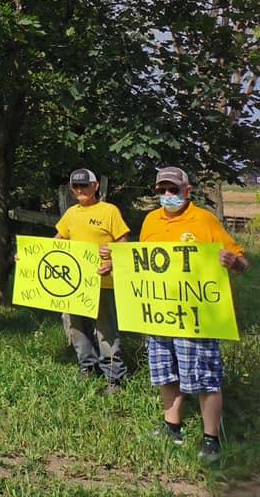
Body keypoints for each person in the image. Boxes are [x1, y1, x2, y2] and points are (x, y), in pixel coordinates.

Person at [139, 166, 250, 462]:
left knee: (204, 377)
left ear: (187, 191)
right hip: (160, 314)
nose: (167, 195)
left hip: (197, 317)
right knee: (165, 373)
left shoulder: (204, 220)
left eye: (173, 190)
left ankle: (211, 439)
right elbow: (139, 264)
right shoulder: (150, 221)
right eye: (161, 190)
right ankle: (171, 427)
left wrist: (233, 262)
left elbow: (242, 262)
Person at [54, 168, 130, 394]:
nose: (80, 190)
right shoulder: (70, 214)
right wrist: (30, 257)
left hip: (102, 280)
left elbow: (123, 242)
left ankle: (114, 377)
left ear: (95, 186)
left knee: (105, 329)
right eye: (76, 186)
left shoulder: (109, 211)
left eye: (84, 185)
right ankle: (87, 366)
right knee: (75, 325)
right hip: (74, 283)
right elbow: (55, 243)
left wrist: (113, 259)